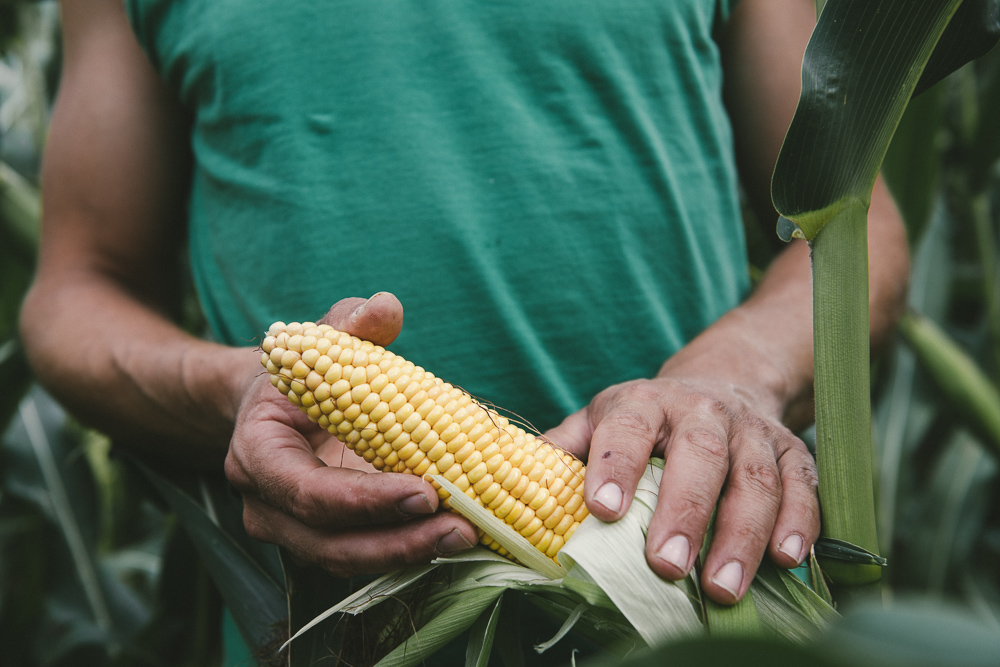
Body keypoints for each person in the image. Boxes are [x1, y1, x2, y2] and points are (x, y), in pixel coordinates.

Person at [21, 0, 908, 631]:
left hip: (693, 594)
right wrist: (239, 392)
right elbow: (77, 288)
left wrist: (733, 375)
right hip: (338, 632)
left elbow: (850, 219)